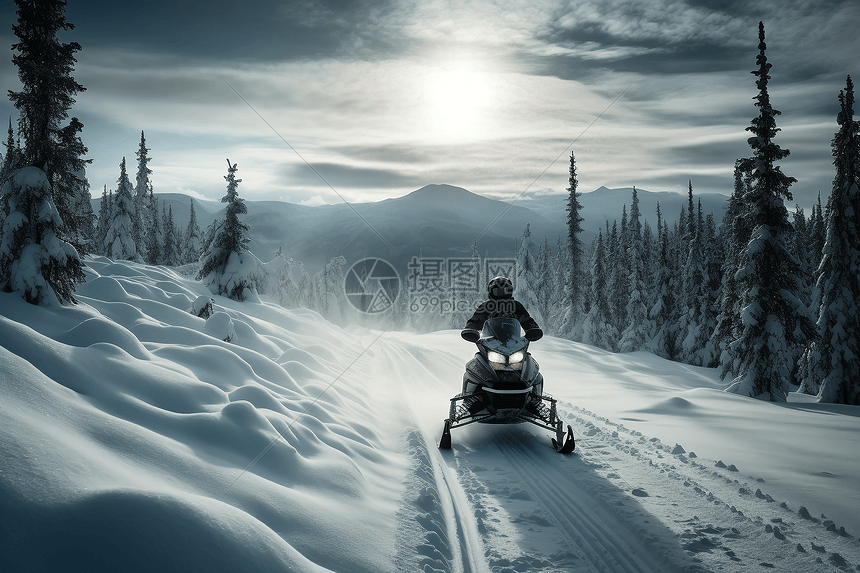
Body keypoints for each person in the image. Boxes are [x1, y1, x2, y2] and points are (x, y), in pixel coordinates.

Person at [461, 276, 543, 342]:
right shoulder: (486, 307)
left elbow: (527, 320)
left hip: (514, 343)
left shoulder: (516, 306)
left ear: (509, 292)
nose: (501, 294)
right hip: (490, 343)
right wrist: (470, 330)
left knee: (528, 359)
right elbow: (475, 320)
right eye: (497, 291)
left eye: (505, 291)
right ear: (491, 293)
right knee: (477, 360)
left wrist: (533, 330)